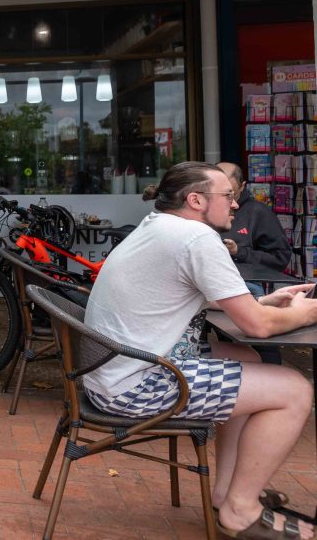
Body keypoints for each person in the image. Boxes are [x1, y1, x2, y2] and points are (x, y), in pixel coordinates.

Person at [83, 161, 317, 539]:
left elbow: (187, 296)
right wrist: (305, 313)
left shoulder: (158, 226)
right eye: (227, 196)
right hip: (136, 386)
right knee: (294, 389)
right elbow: (255, 326)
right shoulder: (195, 238)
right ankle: (240, 510)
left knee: (247, 360)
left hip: (112, 374)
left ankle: (227, 491)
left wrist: (268, 302)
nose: (236, 204)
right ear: (195, 200)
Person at [216, 161, 292, 298]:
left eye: (230, 194)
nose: (230, 203)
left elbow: (280, 258)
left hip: (244, 286)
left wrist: (239, 252)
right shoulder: (201, 210)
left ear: (241, 187)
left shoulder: (258, 213)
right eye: (218, 193)